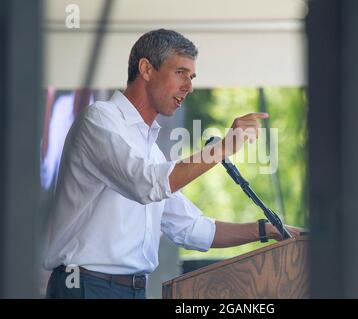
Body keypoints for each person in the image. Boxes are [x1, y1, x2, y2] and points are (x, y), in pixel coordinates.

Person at [44, 29, 304, 299]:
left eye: (191, 77)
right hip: (84, 286)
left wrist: (268, 230)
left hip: (132, 290)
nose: (189, 86)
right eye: (180, 72)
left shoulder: (151, 151)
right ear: (146, 68)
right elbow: (146, 184)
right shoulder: (99, 120)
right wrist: (223, 147)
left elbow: (192, 229)